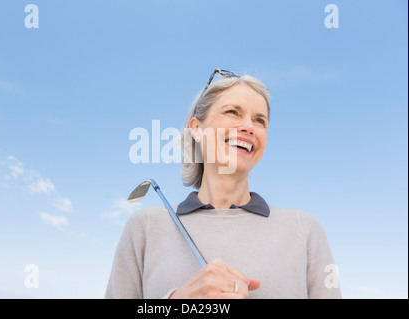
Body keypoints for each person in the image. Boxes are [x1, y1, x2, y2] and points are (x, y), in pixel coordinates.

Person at [105, 69, 341, 299]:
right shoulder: (146, 227)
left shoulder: (304, 230)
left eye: (260, 120)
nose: (248, 127)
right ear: (196, 129)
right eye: (233, 112)